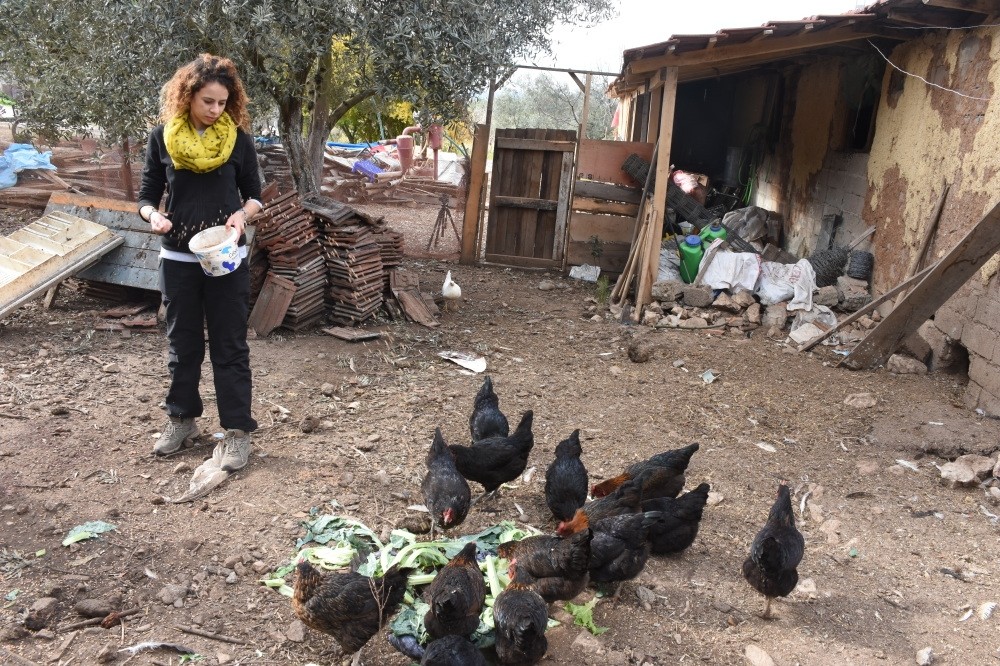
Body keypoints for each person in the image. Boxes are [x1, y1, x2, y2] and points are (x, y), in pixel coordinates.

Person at [137, 53, 262, 472]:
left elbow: (255, 195)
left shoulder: (238, 141)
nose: (214, 110)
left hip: (225, 256)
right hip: (177, 257)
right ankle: (181, 420)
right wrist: (153, 215)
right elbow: (145, 196)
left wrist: (242, 215)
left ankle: (238, 433)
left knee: (230, 345)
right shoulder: (162, 138)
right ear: (188, 96)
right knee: (183, 343)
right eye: (207, 101)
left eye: (222, 103)